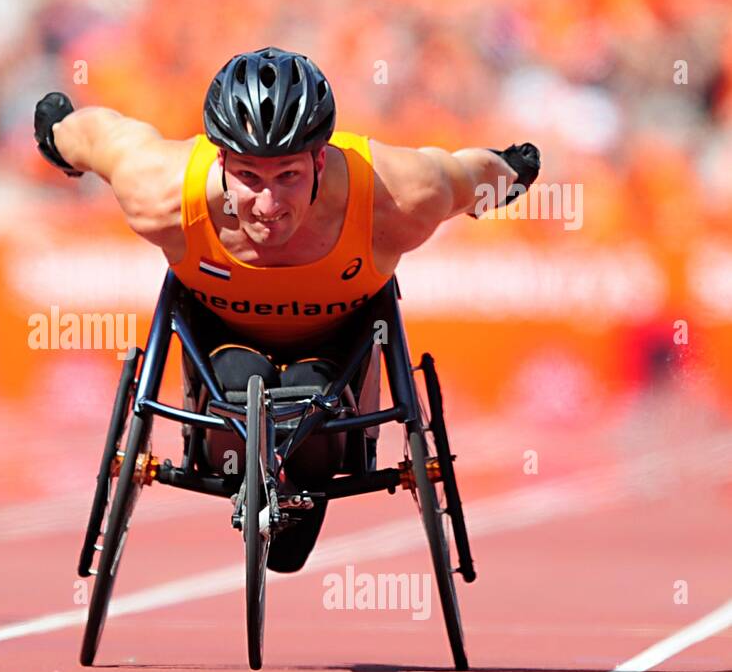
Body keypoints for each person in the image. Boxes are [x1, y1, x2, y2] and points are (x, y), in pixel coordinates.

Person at [34, 46, 539, 573]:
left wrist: (509, 171)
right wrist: (58, 133)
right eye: (249, 177)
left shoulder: (395, 195)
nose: (268, 206)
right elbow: (101, 139)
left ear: (321, 160)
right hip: (219, 353)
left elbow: (462, 177)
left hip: (337, 360)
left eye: (289, 177)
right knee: (237, 374)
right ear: (221, 161)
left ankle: (302, 470)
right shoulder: (162, 190)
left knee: (311, 390)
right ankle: (246, 452)